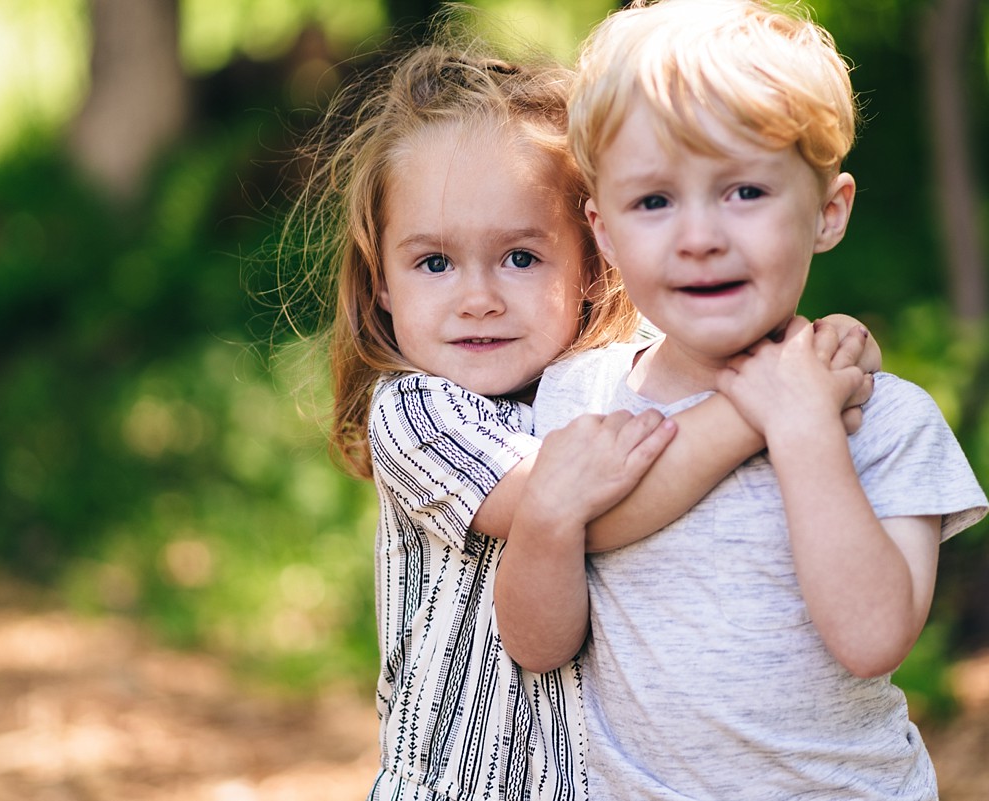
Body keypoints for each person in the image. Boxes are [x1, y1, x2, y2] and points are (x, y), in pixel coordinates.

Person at [283, 26, 880, 801]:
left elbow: (728, 362)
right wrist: (768, 402)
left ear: (596, 258)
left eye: (522, 257)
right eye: (434, 262)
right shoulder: (418, 411)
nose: (479, 297)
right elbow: (583, 508)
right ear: (384, 281)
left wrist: (815, 353)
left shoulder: (616, 373)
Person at [494, 1, 989, 798]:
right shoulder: (580, 394)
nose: (699, 236)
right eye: (654, 202)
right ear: (606, 231)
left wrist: (801, 428)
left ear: (828, 211)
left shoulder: (884, 419)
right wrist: (548, 519)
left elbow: (872, 641)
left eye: (744, 192)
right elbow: (539, 646)